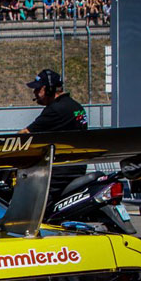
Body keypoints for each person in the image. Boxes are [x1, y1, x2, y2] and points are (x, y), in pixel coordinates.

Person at [20, 69, 88, 200]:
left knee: (31, 198)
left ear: (49, 89)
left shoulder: (55, 110)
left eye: (37, 89)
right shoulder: (76, 107)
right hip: (76, 167)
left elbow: (26, 134)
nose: (34, 93)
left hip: (58, 172)